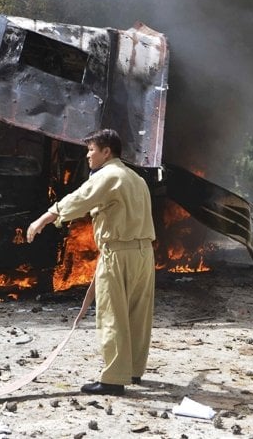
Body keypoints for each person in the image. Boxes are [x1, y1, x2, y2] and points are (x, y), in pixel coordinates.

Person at [26, 128, 156, 395]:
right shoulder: (136, 178)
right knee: (138, 315)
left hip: (118, 253)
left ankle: (113, 380)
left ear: (106, 151)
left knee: (112, 314)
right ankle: (133, 371)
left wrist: (44, 219)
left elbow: (79, 199)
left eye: (91, 150)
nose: (87, 155)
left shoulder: (108, 176)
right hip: (144, 253)